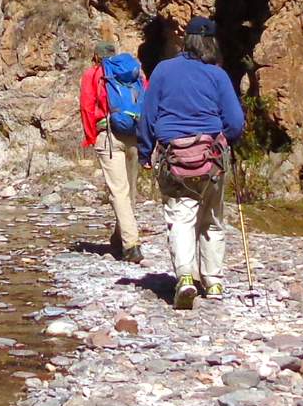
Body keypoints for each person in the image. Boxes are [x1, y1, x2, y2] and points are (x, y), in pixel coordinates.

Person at [137, 17, 245, 308]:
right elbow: (235, 121)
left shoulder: (163, 70)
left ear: (187, 41)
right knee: (211, 218)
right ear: (211, 42)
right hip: (211, 158)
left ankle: (185, 277)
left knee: (180, 217)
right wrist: (227, 141)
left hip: (173, 156)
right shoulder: (217, 75)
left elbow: (148, 115)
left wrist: (145, 152)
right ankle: (213, 281)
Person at [79, 41, 143, 262]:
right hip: (134, 134)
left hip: (109, 136)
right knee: (130, 190)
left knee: (118, 190)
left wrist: (90, 136)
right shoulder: (133, 74)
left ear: (96, 57)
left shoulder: (94, 74)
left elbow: (87, 107)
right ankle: (119, 238)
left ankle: (131, 245)